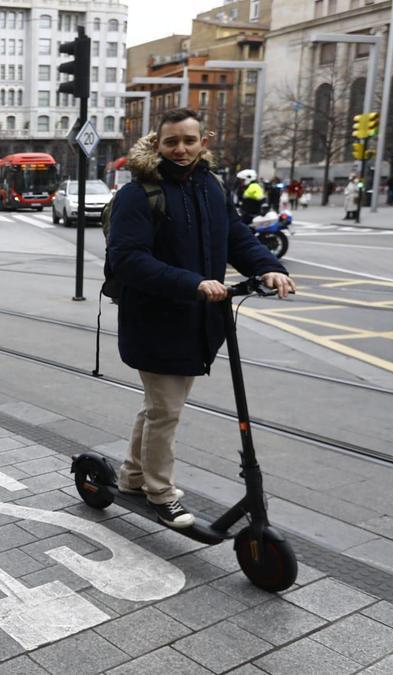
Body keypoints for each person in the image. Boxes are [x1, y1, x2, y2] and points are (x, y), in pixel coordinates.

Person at [107, 108, 295, 529]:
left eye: (189, 140)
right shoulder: (140, 194)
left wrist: (269, 266)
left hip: (199, 320)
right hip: (156, 320)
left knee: (159, 407)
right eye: (172, 141)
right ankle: (160, 492)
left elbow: (235, 237)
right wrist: (192, 282)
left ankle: (133, 476)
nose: (181, 149)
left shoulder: (210, 186)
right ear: (157, 143)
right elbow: (127, 259)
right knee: (166, 410)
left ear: (203, 140)